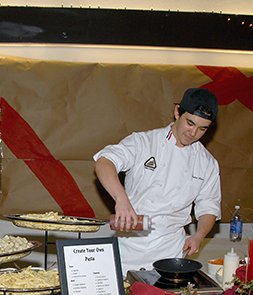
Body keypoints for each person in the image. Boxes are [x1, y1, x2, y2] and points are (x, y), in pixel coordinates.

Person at [93, 88, 221, 275]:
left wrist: (199, 236)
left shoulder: (207, 162)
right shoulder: (144, 142)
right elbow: (104, 162)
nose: (193, 133)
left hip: (170, 251)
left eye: (202, 129)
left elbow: (209, 205)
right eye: (190, 123)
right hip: (129, 246)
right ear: (177, 112)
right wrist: (121, 200)